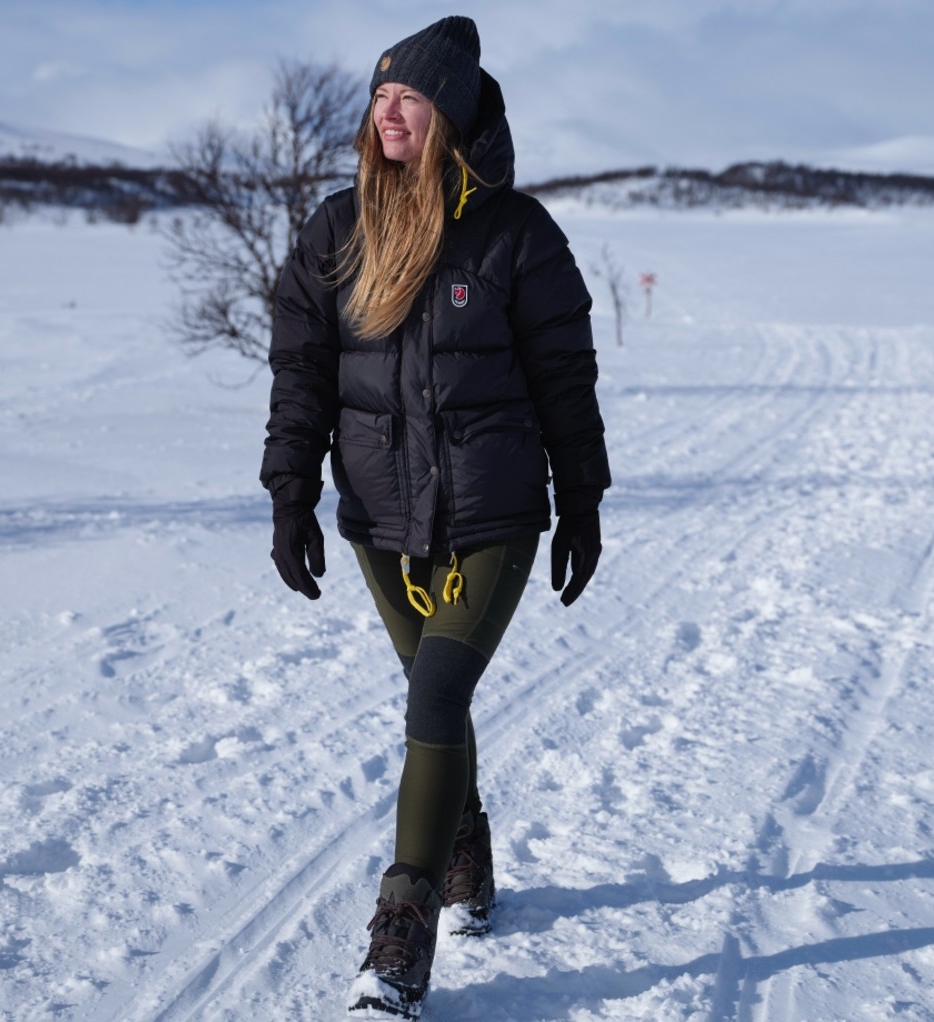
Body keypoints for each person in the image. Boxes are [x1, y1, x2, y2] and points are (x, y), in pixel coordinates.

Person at [259, 15, 611, 1019]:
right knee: (437, 700)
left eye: (407, 97)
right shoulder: (339, 229)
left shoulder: (517, 234)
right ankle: (466, 847)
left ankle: (402, 934)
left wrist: (581, 496)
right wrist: (291, 491)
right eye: (378, 98)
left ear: (450, 112)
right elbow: (302, 376)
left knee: (432, 696)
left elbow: (564, 378)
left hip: (493, 509)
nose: (388, 114)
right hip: (380, 510)